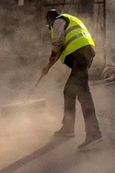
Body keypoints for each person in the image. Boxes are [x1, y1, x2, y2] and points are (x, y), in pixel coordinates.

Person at [41, 9, 103, 150]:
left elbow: (57, 44)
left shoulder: (58, 21)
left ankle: (94, 133)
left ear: (50, 19)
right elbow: (62, 48)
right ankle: (68, 128)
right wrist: (47, 68)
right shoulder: (71, 21)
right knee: (69, 91)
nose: (50, 26)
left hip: (79, 56)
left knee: (83, 93)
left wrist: (50, 59)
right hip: (84, 55)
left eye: (48, 23)